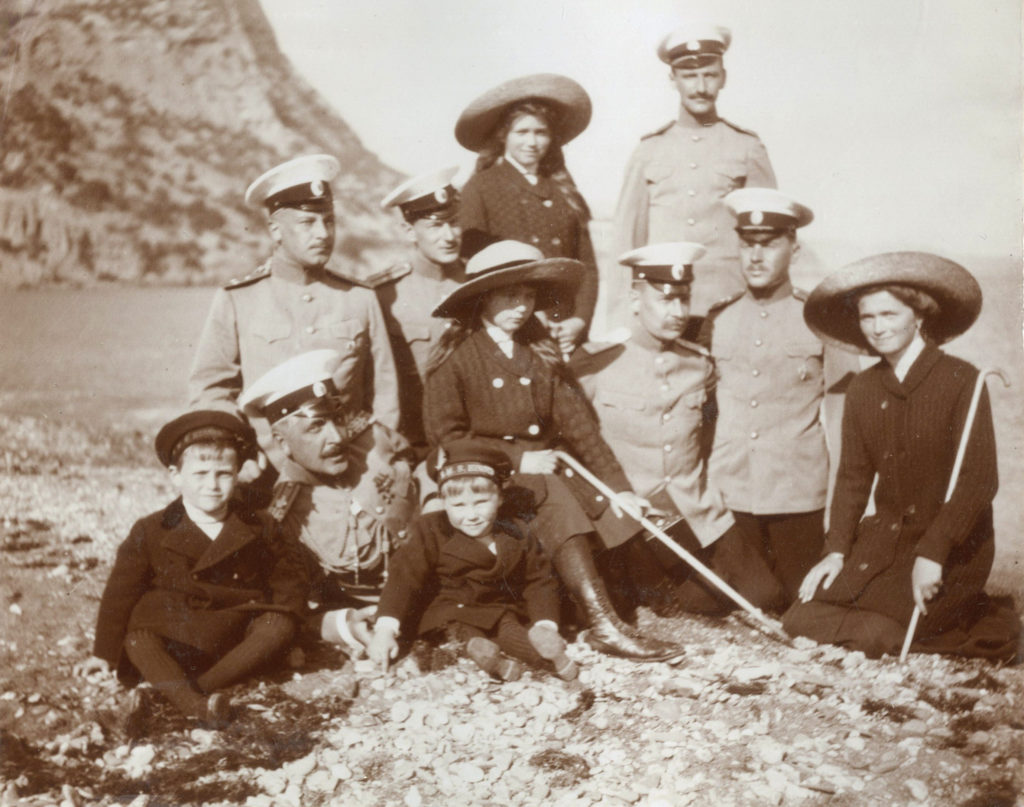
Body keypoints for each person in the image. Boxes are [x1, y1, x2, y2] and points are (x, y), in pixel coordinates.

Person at [423, 239, 681, 660]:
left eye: (527, 296)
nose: (521, 306)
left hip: (544, 466)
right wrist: (517, 460)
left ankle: (618, 610)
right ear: (483, 298)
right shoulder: (456, 357)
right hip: (478, 475)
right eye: (509, 295)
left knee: (609, 506)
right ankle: (603, 624)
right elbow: (447, 439)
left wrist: (620, 487)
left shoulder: (538, 351)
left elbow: (579, 426)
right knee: (552, 491)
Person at [784, 253, 1019, 661]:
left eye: (889, 314)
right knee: (799, 618)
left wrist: (933, 552)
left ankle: (971, 612)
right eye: (867, 317)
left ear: (919, 317)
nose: (878, 327)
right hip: (882, 543)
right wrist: (836, 550)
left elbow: (980, 480)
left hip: (949, 550)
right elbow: (852, 479)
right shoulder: (863, 389)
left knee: (880, 632)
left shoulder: (962, 380)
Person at [573, 242, 785, 614]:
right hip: (632, 519)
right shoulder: (594, 366)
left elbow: (706, 436)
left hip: (695, 510)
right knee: (683, 603)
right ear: (635, 299)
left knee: (764, 595)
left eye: (684, 299)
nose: (678, 312)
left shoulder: (698, 365)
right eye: (666, 299)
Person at [84, 411, 305, 725]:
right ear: (176, 475)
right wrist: (103, 653)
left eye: (223, 474)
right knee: (138, 639)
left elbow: (288, 582)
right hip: (179, 633)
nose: (212, 485)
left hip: (236, 634)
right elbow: (120, 592)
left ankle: (178, 697)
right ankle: (198, 707)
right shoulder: (151, 529)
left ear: (238, 473)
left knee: (279, 623)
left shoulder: (259, 524)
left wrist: (291, 637)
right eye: (200, 474)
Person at [188, 153, 400, 476]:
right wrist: (240, 452)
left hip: (348, 464)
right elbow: (211, 390)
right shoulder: (238, 300)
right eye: (307, 222)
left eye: (329, 220)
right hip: (266, 470)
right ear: (275, 230)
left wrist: (372, 460)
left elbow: (384, 393)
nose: (323, 234)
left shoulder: (359, 298)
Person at [703, 189, 858, 608]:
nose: (755, 256)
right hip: (731, 494)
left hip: (798, 498)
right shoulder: (717, 319)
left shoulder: (824, 320)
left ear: (795, 247)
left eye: (768, 244)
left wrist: (839, 516)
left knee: (808, 606)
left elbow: (845, 422)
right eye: (746, 244)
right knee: (728, 600)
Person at [239, 349, 418, 659]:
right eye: (316, 427)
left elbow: (419, 471)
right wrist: (343, 626)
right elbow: (296, 602)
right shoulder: (289, 510)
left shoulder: (376, 442)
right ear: (283, 444)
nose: (336, 437)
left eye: (337, 420)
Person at [607, 24, 777, 322]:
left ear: (723, 78)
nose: (700, 87)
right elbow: (626, 241)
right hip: (663, 309)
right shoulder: (648, 150)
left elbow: (770, 239)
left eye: (709, 75)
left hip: (730, 306)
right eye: (689, 76)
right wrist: (622, 320)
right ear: (673, 80)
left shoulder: (747, 147)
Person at [368, 440, 577, 682]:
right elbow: (404, 576)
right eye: (458, 505)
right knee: (461, 633)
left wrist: (545, 623)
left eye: (481, 502)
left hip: (497, 611)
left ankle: (552, 659)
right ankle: (493, 661)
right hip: (450, 610)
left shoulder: (516, 531)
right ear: (443, 503)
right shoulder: (431, 530)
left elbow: (539, 579)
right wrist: (385, 628)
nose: (471, 515)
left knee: (512, 633)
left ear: (499, 498)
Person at [455, 73, 598, 353]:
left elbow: (587, 266)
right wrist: (530, 311)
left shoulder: (565, 192)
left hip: (565, 327)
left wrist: (579, 320)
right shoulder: (481, 187)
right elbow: (472, 262)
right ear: (503, 136)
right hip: (511, 324)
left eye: (541, 132)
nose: (532, 142)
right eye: (522, 132)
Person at [373, 167, 466, 452]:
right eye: (436, 226)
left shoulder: (479, 282)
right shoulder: (384, 295)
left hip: (478, 439)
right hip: (415, 443)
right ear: (409, 231)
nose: (449, 236)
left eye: (454, 222)